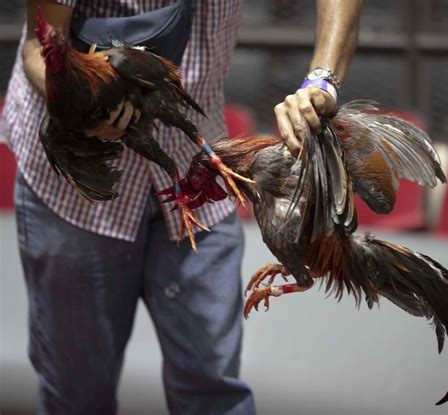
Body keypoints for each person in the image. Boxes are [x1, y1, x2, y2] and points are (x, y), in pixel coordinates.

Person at [3, 0, 362, 414]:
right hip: (75, 183)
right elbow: (39, 45)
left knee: (213, 391)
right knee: (77, 393)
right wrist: (77, 104)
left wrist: (322, 80)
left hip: (198, 171)